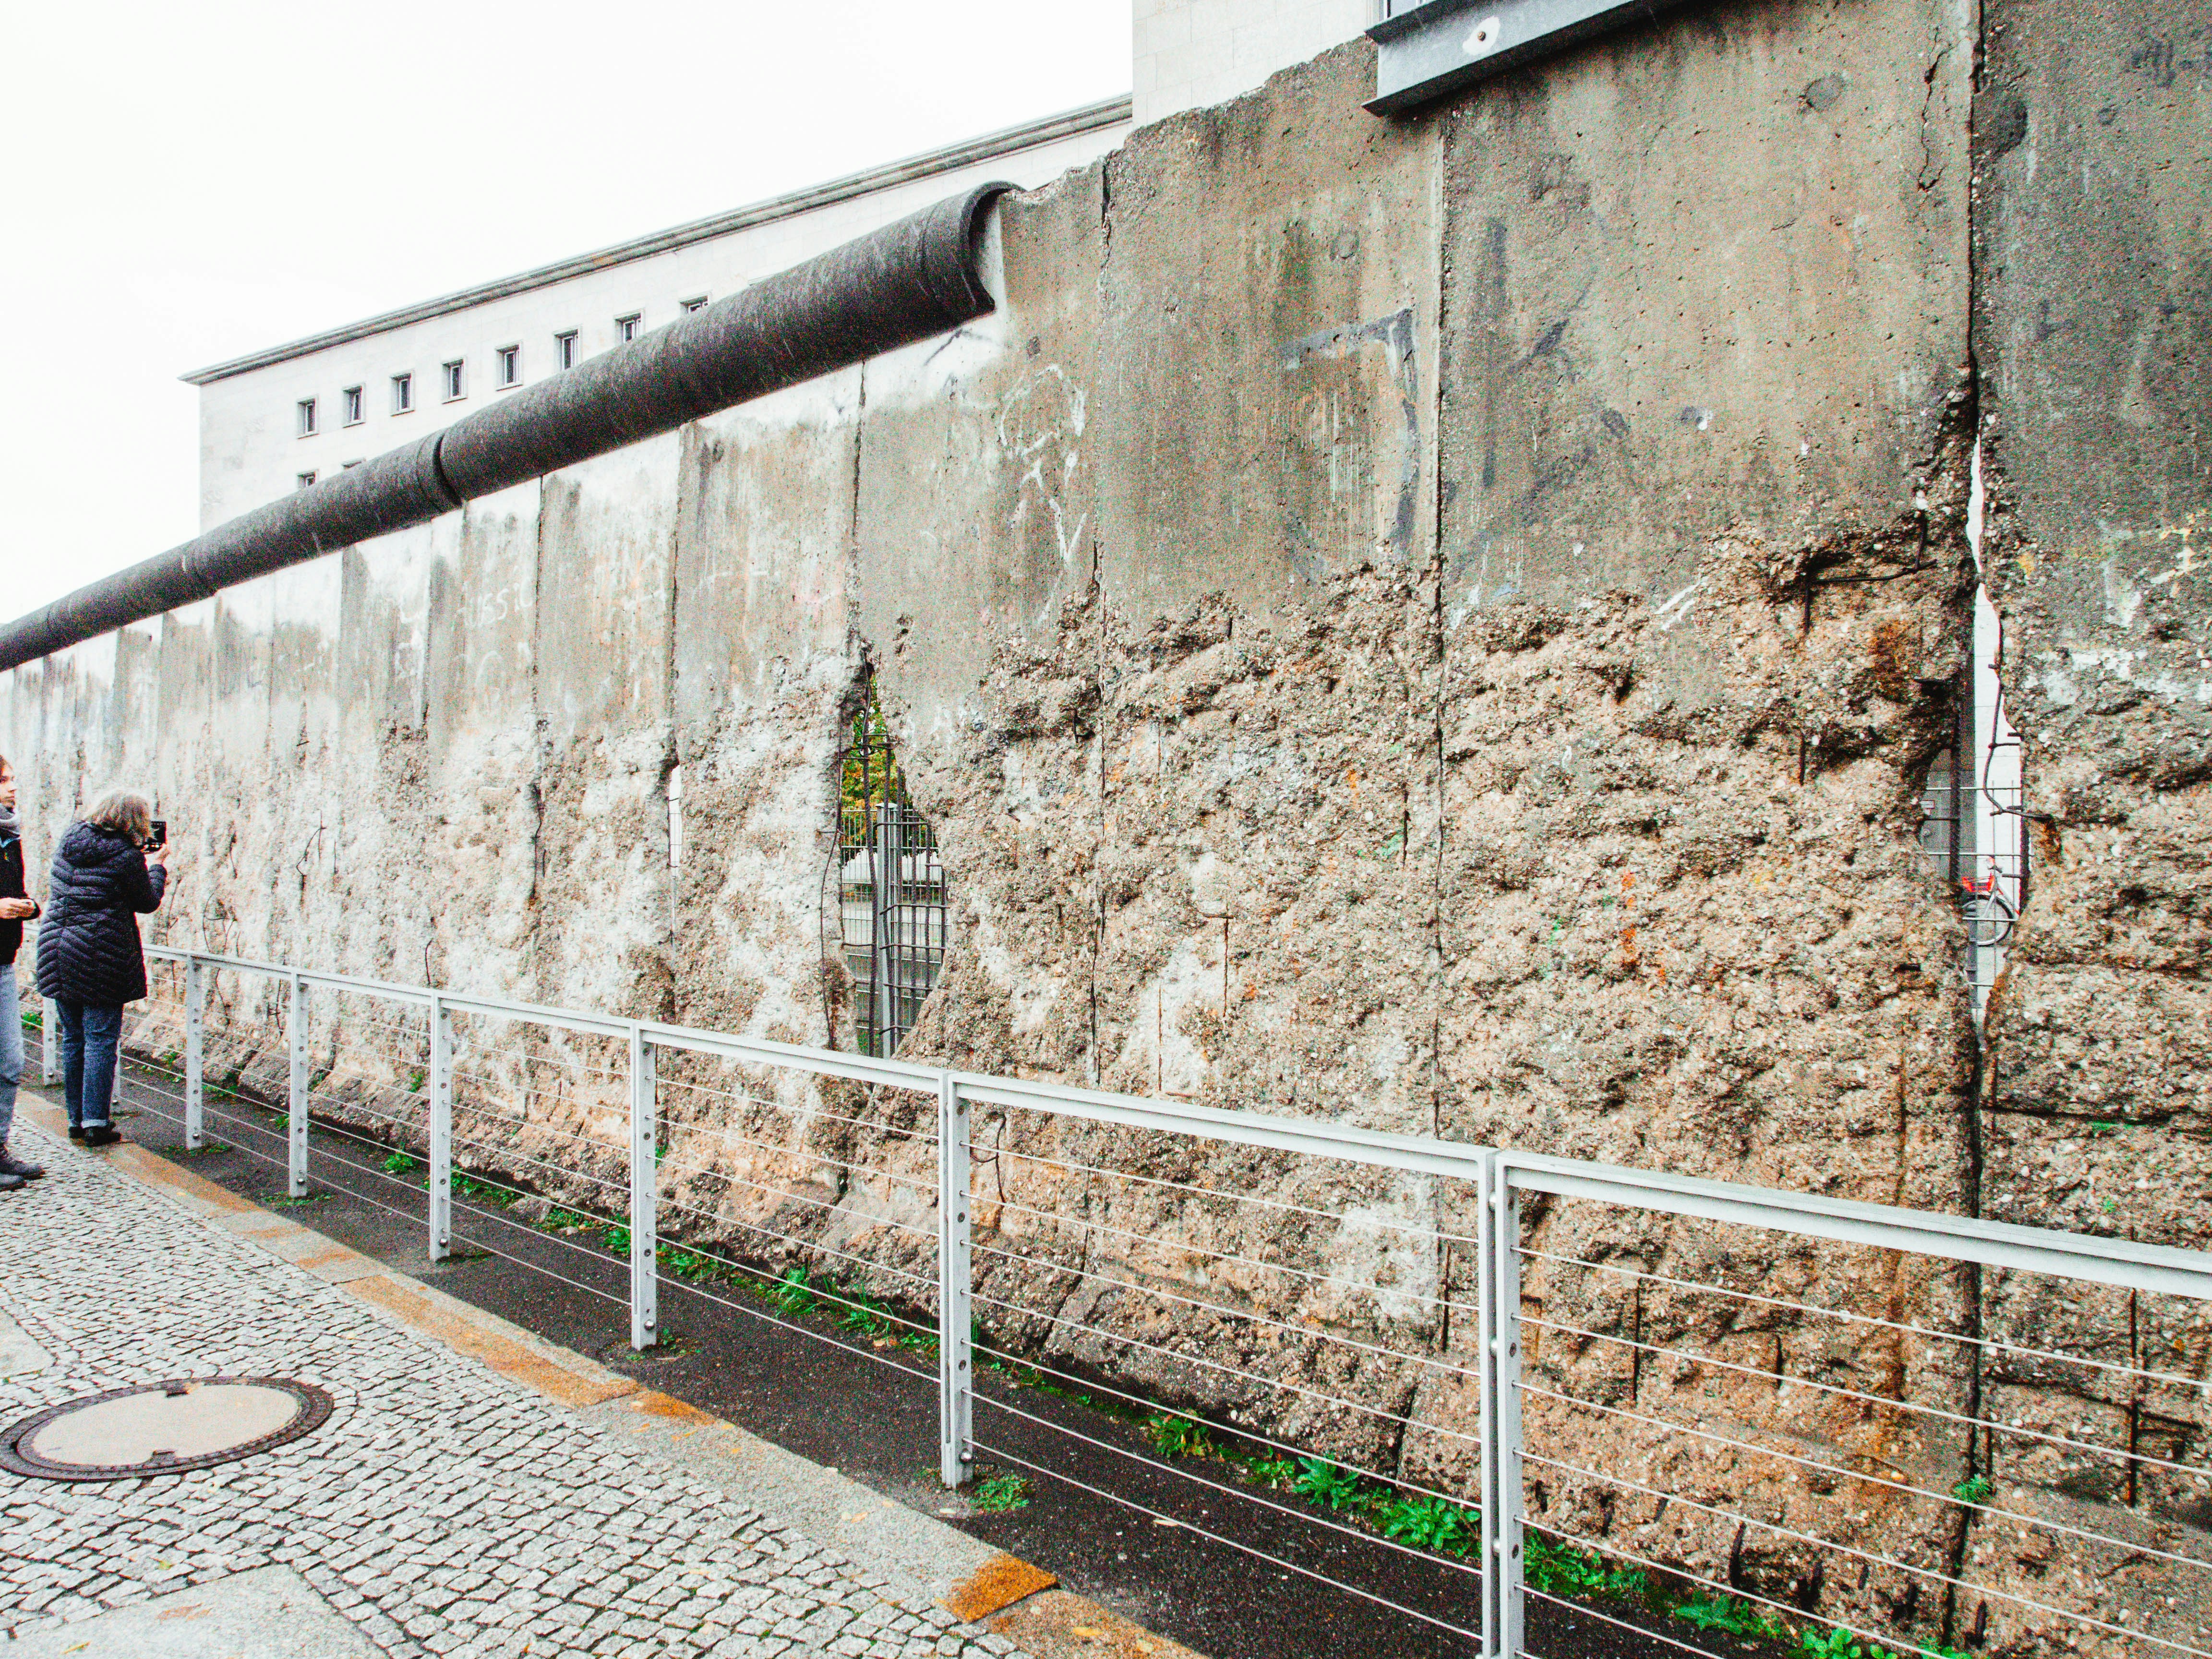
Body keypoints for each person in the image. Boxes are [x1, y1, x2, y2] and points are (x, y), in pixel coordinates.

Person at [36, 792, 172, 1148]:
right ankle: (96, 1122)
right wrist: (157, 866)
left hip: (57, 949)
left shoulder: (69, 841)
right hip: (100, 954)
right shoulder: (127, 856)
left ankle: (76, 1120)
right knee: (100, 1039)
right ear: (134, 821)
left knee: (74, 1038)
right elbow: (147, 902)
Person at [0, 756, 43, 1190]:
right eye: (3, 781)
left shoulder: (9, 836)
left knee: (11, 1061)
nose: (13, 787)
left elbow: (17, 893)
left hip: (3, 962)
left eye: (12, 779)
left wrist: (29, 907)